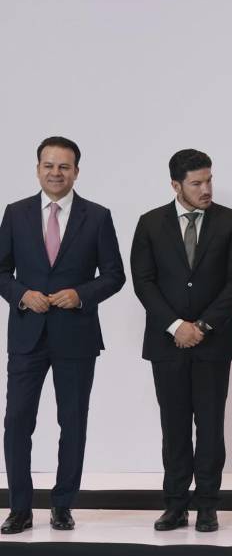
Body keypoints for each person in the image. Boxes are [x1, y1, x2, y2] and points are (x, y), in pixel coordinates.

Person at [0, 136, 126, 535]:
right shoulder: (16, 213)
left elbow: (114, 275)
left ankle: (62, 505)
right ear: (38, 168)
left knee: (73, 422)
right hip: (27, 336)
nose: (56, 173)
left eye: (64, 166)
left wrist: (82, 294)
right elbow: (1, 272)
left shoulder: (98, 216)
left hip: (76, 335)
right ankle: (19, 508)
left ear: (76, 171)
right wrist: (21, 295)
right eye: (49, 165)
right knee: (17, 421)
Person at [130, 149, 232, 533]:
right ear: (175, 185)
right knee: (175, 427)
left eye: (209, 180)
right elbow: (144, 281)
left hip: (213, 344)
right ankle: (175, 504)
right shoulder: (150, 223)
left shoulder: (231, 222)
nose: (206, 189)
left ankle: (208, 506)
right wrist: (174, 326)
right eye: (197, 183)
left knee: (211, 427)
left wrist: (201, 326)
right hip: (167, 345)